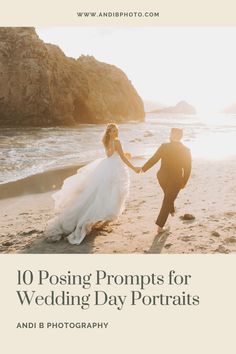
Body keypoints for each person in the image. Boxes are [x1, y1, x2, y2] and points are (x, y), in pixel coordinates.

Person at [44, 123, 139, 245]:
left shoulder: (106, 142)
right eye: (113, 131)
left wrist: (119, 150)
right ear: (109, 132)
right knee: (114, 192)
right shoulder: (117, 141)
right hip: (115, 169)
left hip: (107, 167)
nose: (115, 133)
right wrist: (134, 167)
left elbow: (109, 155)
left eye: (116, 130)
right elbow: (122, 158)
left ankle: (103, 216)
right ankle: (106, 215)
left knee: (103, 193)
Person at [140, 128, 192, 234]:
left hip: (162, 177)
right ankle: (160, 227)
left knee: (168, 196)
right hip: (176, 179)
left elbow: (154, 159)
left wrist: (143, 168)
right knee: (167, 200)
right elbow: (187, 168)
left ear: (170, 135)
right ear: (181, 137)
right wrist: (184, 181)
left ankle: (172, 210)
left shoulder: (164, 146)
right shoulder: (186, 150)